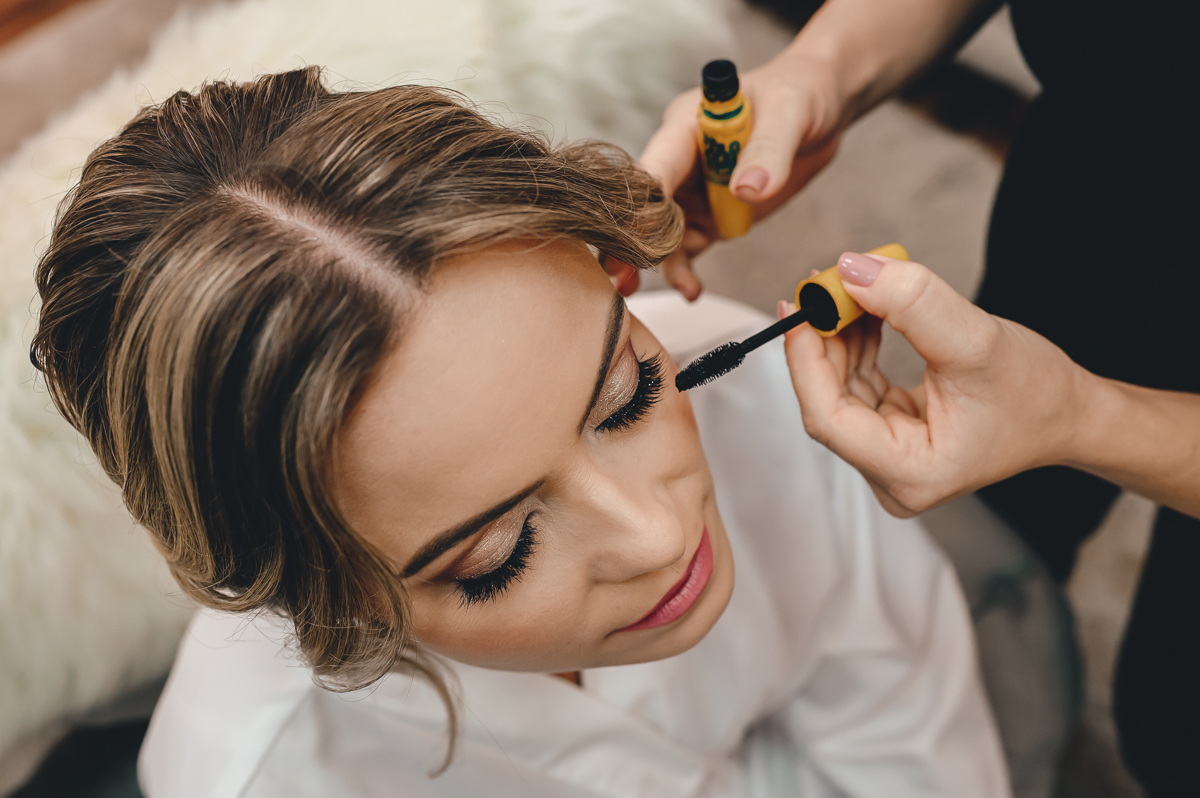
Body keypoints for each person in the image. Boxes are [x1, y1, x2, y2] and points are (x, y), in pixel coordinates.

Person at [30, 67, 1010, 797]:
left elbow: (905, 720)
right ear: (322, 600)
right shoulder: (254, 772)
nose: (659, 538)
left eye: (626, 396)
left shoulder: (755, 387)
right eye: (497, 554)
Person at [629, 0, 1197, 792]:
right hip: (1099, 179)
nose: (650, 537)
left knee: (1172, 722)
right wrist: (819, 68)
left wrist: (1080, 417)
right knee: (1005, 514)